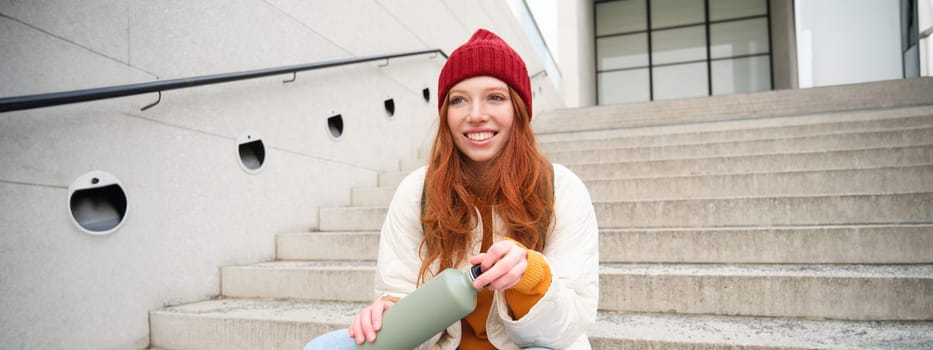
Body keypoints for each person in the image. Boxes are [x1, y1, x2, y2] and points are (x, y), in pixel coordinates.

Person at [304, 28, 599, 350]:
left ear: (519, 110)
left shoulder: (562, 188)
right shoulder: (417, 190)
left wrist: (532, 277)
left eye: (495, 97)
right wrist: (390, 310)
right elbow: (399, 288)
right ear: (445, 115)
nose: (475, 115)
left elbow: (568, 328)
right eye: (459, 100)